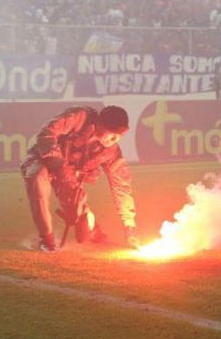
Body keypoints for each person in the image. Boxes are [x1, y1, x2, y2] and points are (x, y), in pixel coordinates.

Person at [20, 105, 139, 252]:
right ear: (100, 124)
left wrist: (129, 226)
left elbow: (122, 188)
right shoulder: (79, 118)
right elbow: (47, 132)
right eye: (111, 133)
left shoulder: (111, 153)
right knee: (38, 178)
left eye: (120, 135)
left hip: (68, 177)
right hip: (42, 158)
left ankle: (93, 229)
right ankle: (47, 239)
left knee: (76, 212)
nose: (114, 139)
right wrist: (57, 162)